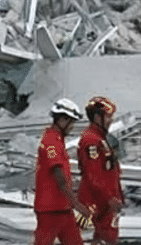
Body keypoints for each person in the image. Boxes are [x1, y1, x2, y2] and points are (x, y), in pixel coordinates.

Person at [35, 98, 93, 245]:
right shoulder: (51, 142)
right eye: (71, 122)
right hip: (51, 208)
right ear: (62, 119)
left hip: (63, 207)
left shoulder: (57, 139)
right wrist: (77, 204)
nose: (72, 127)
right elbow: (59, 176)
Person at [78, 96, 124, 245]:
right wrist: (110, 198)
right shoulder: (91, 141)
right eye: (108, 117)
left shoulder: (102, 139)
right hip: (98, 204)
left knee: (105, 239)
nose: (111, 120)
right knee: (105, 239)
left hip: (107, 204)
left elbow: (110, 171)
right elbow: (93, 176)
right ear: (97, 117)